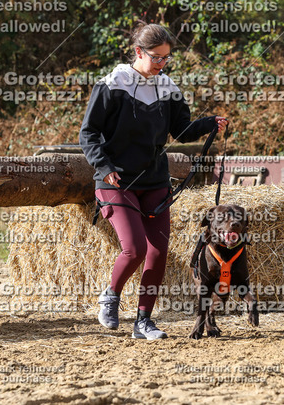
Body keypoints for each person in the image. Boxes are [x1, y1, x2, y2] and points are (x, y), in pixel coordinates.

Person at [79, 22, 228, 339]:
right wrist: (103, 166)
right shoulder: (112, 84)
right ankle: (110, 296)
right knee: (134, 249)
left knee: (158, 252)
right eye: (156, 57)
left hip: (155, 180)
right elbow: (88, 133)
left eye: (166, 58)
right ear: (138, 52)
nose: (162, 63)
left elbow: (182, 131)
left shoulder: (168, 87)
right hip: (116, 180)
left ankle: (143, 322)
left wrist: (209, 123)